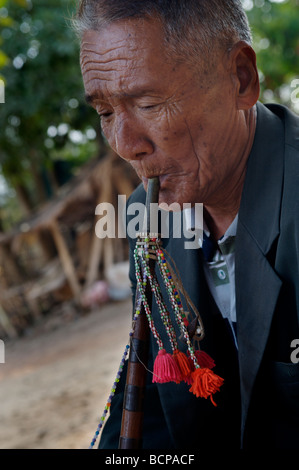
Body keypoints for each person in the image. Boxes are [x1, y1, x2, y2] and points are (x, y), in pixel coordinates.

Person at [76, 0, 299, 449]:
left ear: (241, 78)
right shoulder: (149, 218)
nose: (124, 144)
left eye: (148, 102)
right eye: (104, 113)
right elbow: (152, 409)